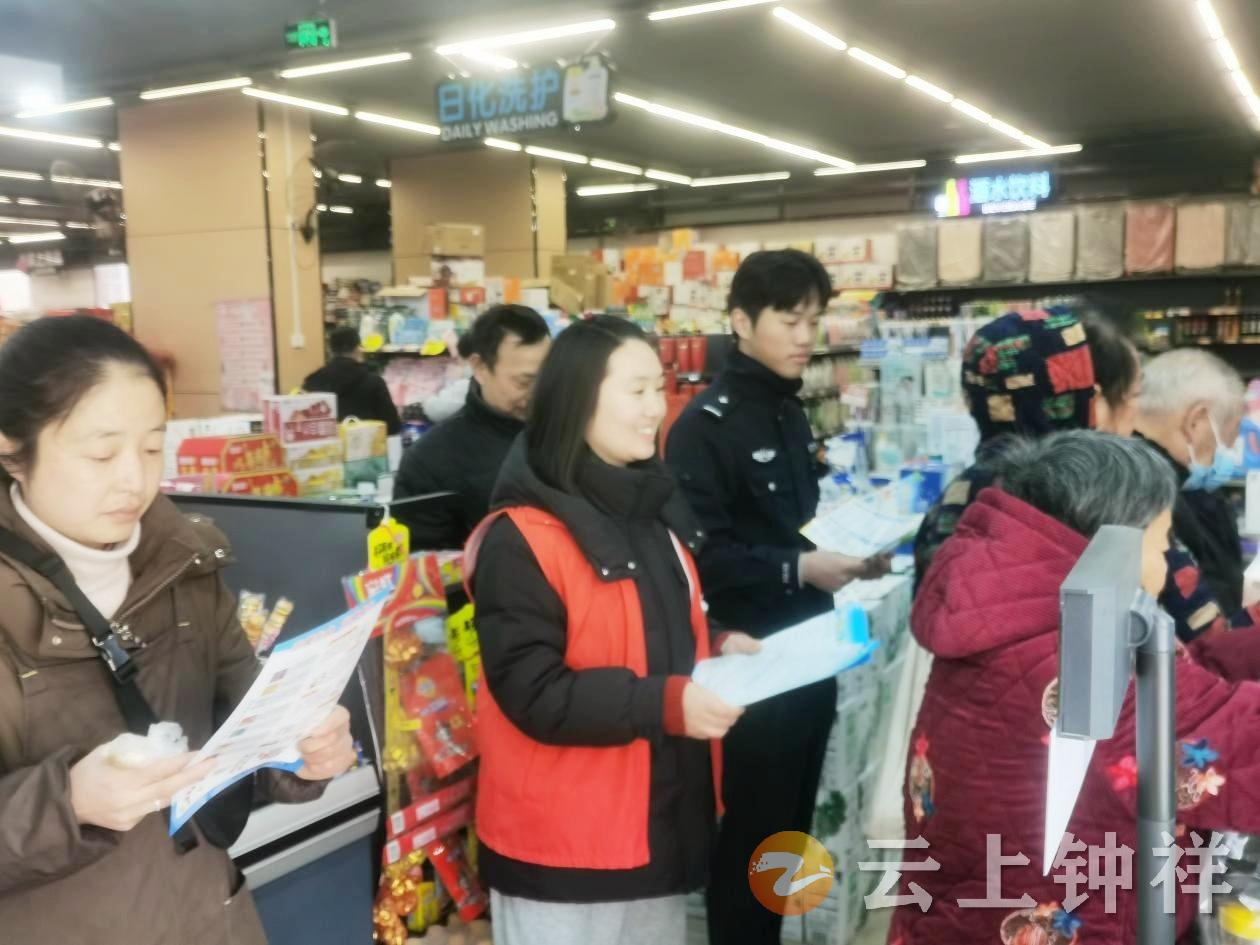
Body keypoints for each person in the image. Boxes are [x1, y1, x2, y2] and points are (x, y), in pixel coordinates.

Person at [0, 315, 356, 944]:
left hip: (207, 917)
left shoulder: (185, 562)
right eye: (101, 453)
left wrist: (301, 749)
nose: (134, 480)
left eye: (151, 448)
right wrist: (67, 803)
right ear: (12, 449)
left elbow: (244, 722)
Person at [890, 429, 1260, 944]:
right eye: (1161, 544)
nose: (1165, 564)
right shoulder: (1088, 659)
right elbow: (1233, 749)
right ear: (1117, 544)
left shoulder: (1007, 611)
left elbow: (1181, 689)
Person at [464, 315, 759, 945]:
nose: (656, 407)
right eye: (636, 390)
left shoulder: (650, 508)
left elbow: (650, 619)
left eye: (660, 387)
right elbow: (533, 691)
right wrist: (666, 703)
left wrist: (718, 640)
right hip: (562, 850)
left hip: (653, 829)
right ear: (578, 399)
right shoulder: (521, 538)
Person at [665, 250, 888, 945]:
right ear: (740, 321)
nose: (805, 337)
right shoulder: (705, 427)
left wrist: (853, 549)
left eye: (813, 321)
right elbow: (703, 558)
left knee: (789, 828)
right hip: (753, 660)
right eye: (789, 320)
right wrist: (800, 568)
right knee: (752, 831)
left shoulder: (789, 412)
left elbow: (797, 526)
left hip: (812, 649)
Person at [912, 308, 1140, 588]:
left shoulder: (955, 500)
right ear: (1087, 400)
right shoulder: (1095, 498)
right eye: (1134, 395)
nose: (1136, 411)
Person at [394, 304, 549, 549]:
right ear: (480, 368)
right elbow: (428, 563)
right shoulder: (430, 460)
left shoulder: (568, 435)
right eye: (524, 382)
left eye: (546, 379)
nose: (537, 394)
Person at [1135, 349, 1248, 621]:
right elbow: (1205, 622)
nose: (1229, 452)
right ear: (1195, 421)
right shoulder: (1153, 497)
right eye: (1228, 437)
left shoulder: (1176, 486)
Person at [302, 325, 402, 434]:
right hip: (367, 442)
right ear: (358, 348)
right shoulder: (374, 382)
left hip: (328, 444)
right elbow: (392, 426)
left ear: (330, 350)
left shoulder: (312, 382)